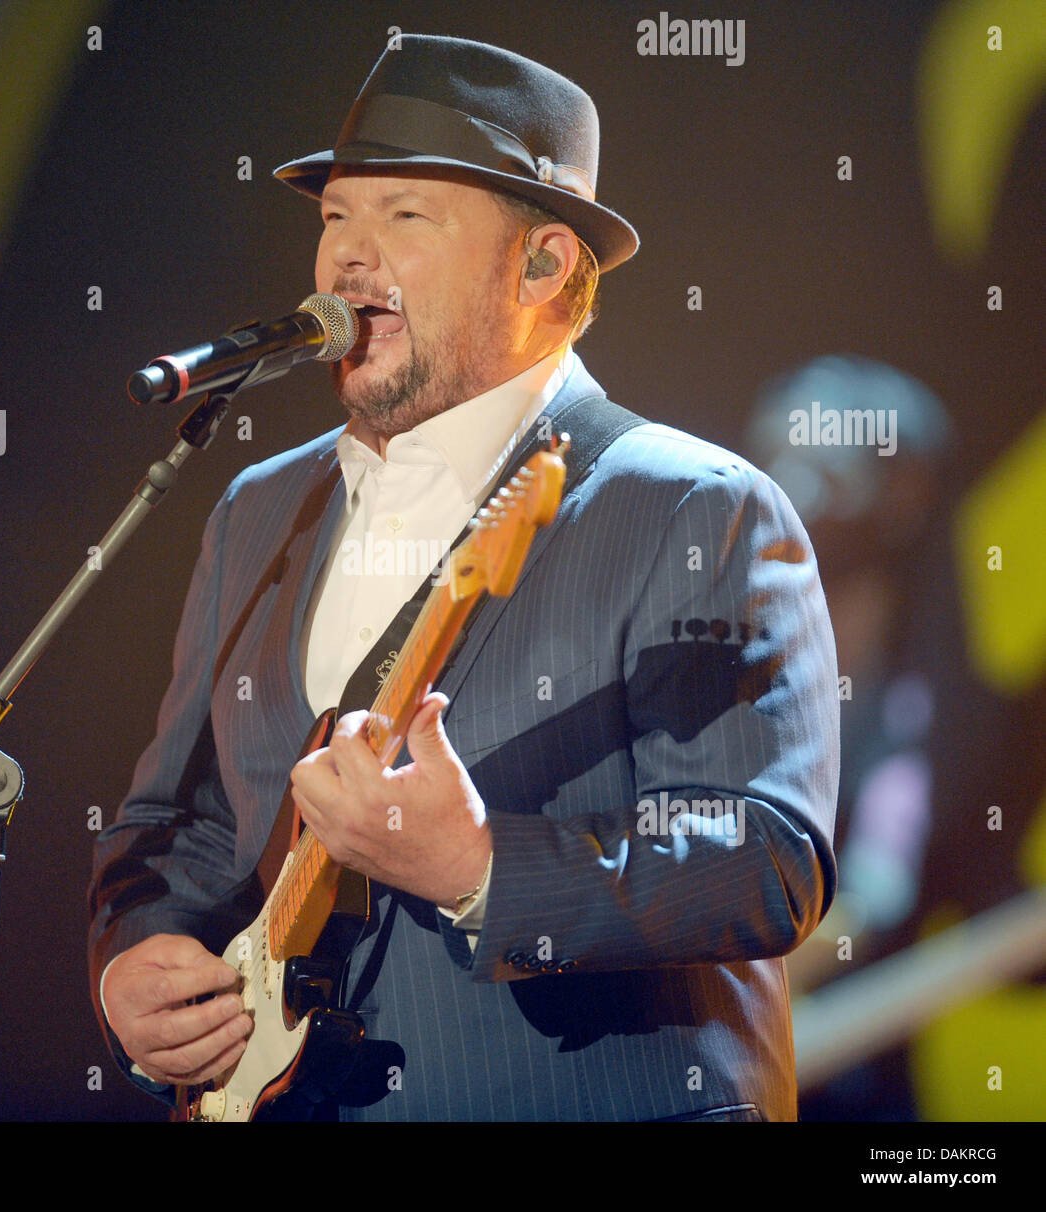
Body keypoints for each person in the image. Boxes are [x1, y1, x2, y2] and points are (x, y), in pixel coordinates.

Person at [88, 34, 840, 1122]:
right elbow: (181, 818)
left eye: (404, 217)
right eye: (336, 216)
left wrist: (479, 866)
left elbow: (765, 862)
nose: (348, 257)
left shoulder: (693, 505)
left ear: (540, 266)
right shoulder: (264, 506)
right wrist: (137, 963)